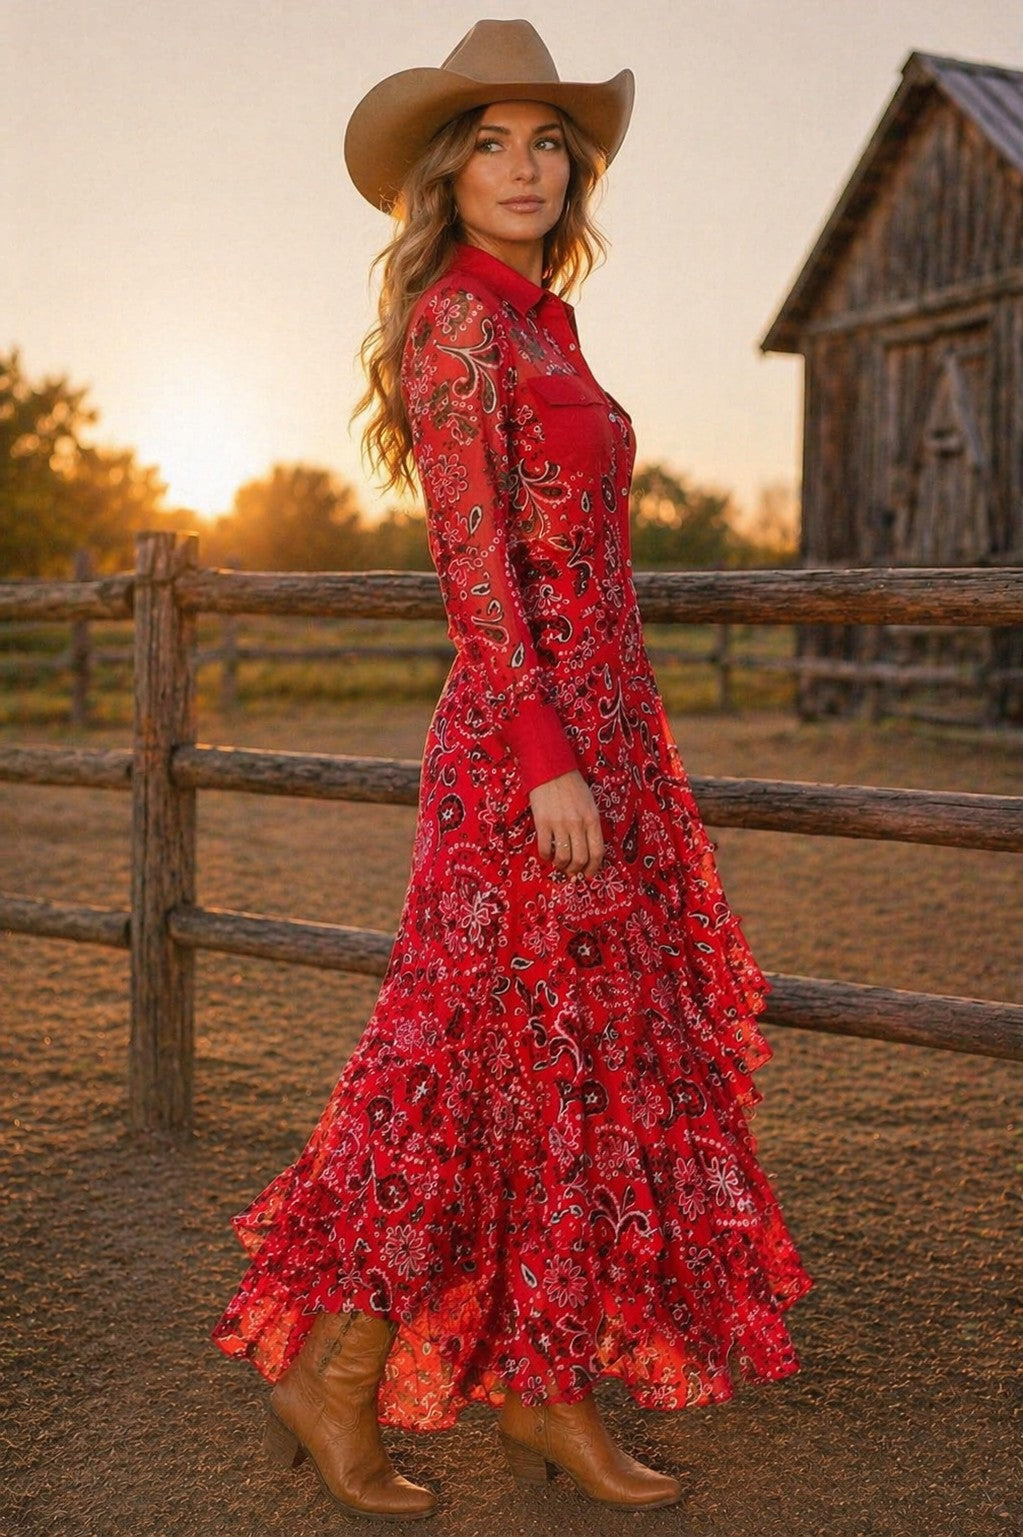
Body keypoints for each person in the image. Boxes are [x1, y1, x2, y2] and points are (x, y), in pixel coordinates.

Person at [210, 17, 815, 1522]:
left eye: (550, 141)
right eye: (491, 140)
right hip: (520, 756)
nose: (527, 165)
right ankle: (337, 1374)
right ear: (445, 171)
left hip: (607, 740)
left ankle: (545, 1387)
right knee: (454, 1066)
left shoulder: (548, 325)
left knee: (562, 1071)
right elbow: (475, 567)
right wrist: (549, 757)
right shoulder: (458, 328)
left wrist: (621, 752)